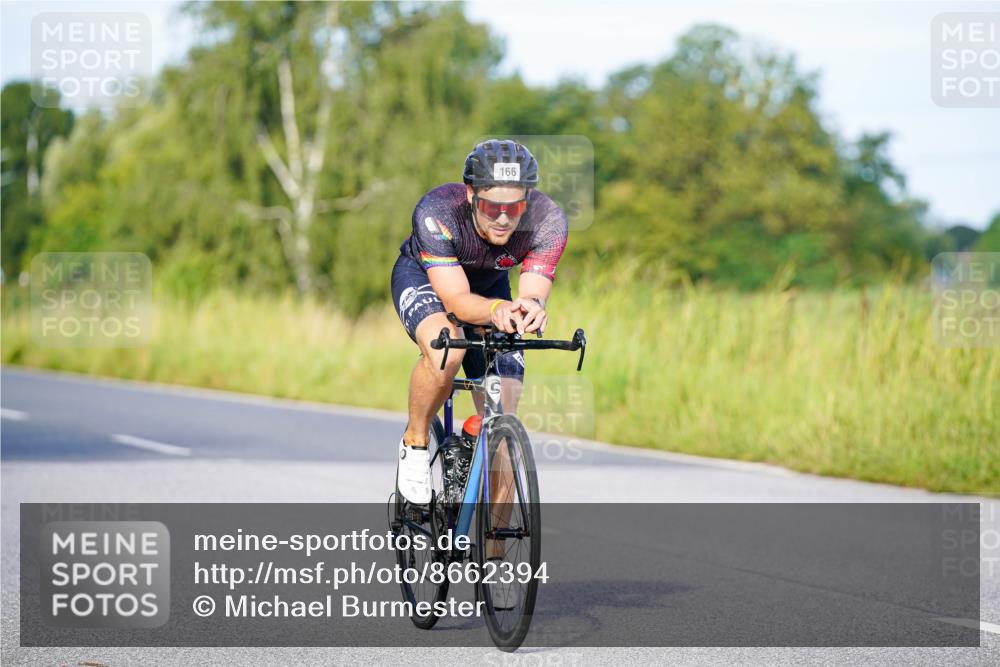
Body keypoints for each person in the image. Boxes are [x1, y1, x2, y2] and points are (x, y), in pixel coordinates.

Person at [391, 139, 568, 504]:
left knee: (502, 421)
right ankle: (416, 441)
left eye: (515, 207)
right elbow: (455, 301)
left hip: (491, 289)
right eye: (491, 207)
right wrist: (495, 310)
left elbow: (532, 289)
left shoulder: (547, 220)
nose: (504, 218)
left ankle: (492, 553)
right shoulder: (438, 209)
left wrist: (530, 306)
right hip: (429, 279)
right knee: (446, 348)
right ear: (471, 194)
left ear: (528, 199)